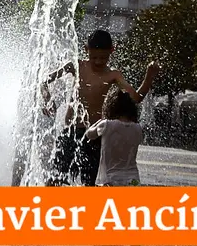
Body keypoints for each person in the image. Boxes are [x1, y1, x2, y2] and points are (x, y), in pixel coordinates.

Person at [42, 29, 158, 186]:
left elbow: (136, 98)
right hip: (71, 130)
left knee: (89, 182)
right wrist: (47, 99)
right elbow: (44, 81)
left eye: (103, 58)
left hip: (95, 137)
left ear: (112, 51)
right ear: (86, 50)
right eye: (93, 57)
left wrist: (149, 77)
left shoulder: (113, 75)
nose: (97, 61)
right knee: (55, 178)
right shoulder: (76, 66)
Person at [86, 85, 144, 246]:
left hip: (110, 179)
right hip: (133, 179)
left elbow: (89, 134)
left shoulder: (107, 125)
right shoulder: (137, 128)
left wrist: (100, 121)